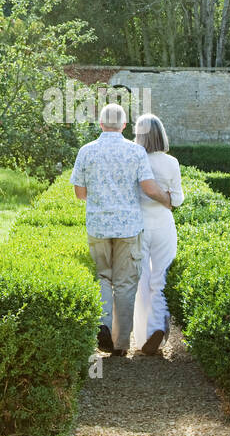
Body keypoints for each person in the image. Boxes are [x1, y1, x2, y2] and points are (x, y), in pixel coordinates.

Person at [70, 103, 172, 356]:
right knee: (126, 283)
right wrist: (167, 200)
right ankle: (120, 344)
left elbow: (79, 194)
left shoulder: (86, 151)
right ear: (124, 125)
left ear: (101, 124)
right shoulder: (135, 152)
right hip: (129, 227)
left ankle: (103, 324)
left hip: (98, 226)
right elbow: (149, 188)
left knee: (104, 277)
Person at [132, 114, 184, 356]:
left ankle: (143, 337)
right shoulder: (171, 162)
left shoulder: (134, 158)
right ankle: (159, 331)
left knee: (141, 279)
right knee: (160, 278)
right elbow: (178, 199)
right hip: (163, 223)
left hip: (138, 224)